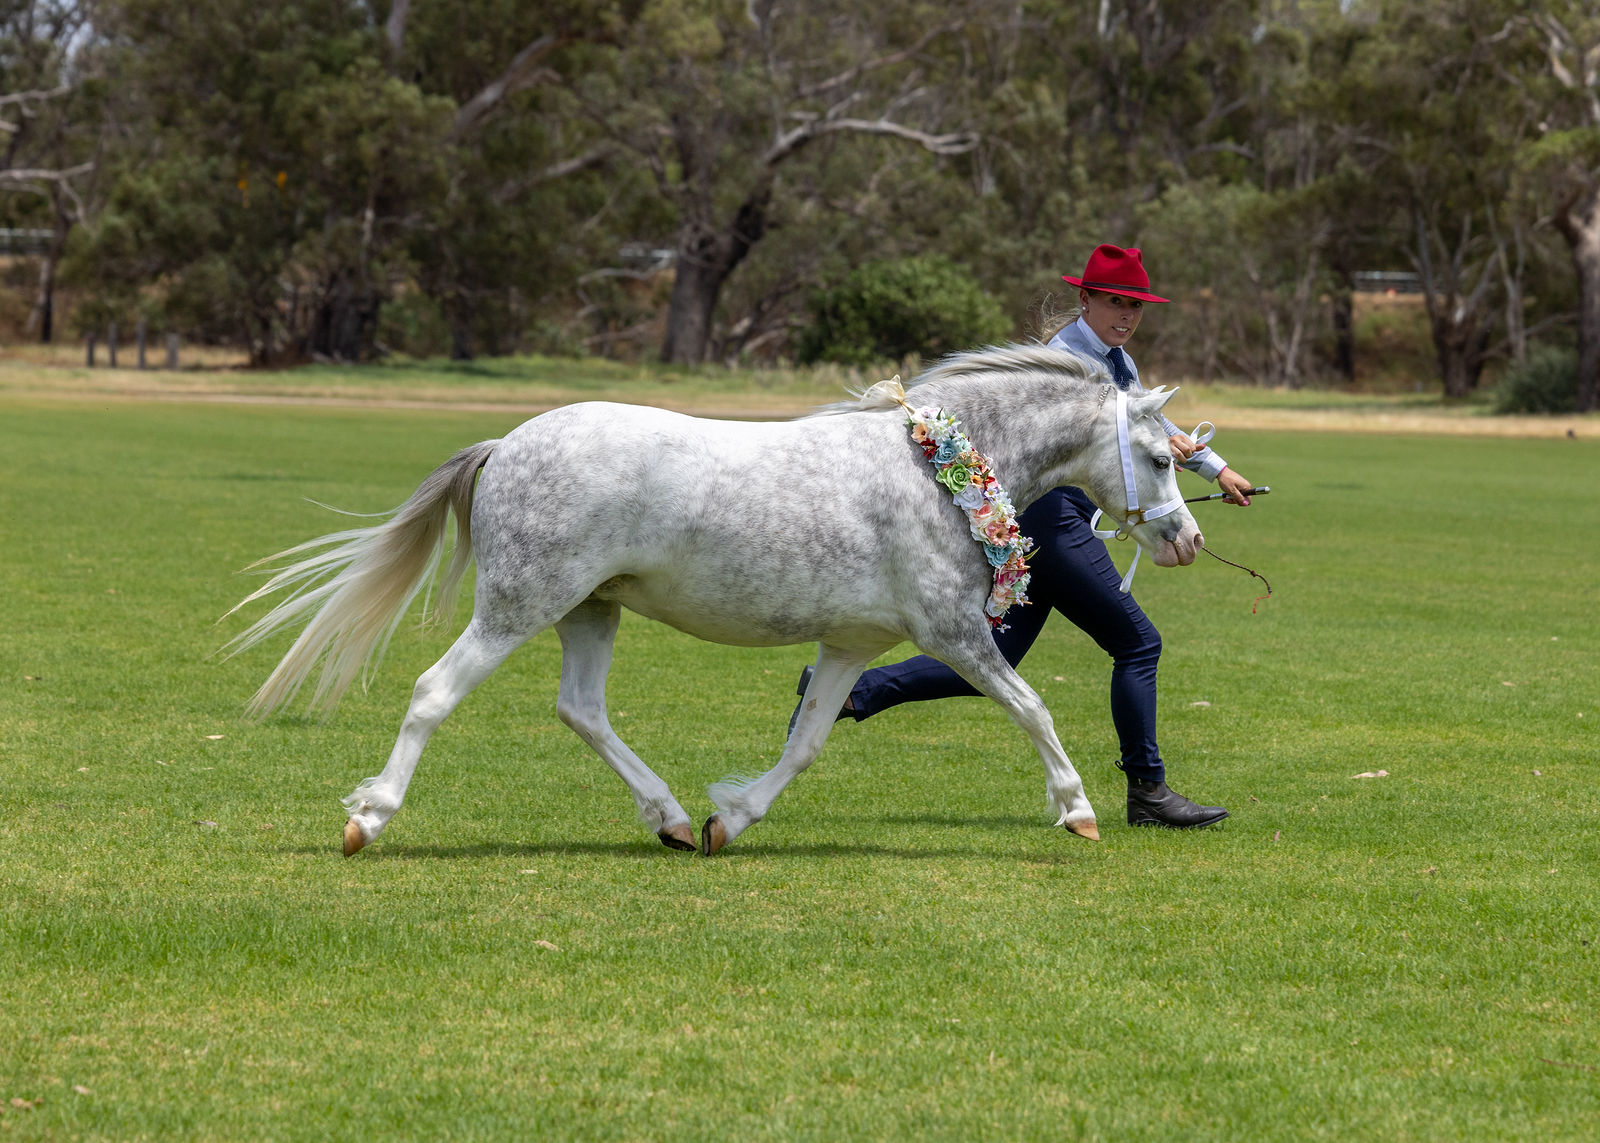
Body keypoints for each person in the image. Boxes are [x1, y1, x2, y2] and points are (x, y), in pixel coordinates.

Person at [788, 243, 1257, 829]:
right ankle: (1148, 793)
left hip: (1057, 519)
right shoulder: (1066, 361)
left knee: (999, 654)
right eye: (1116, 302)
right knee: (1138, 644)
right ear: (1085, 299)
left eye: (1136, 305)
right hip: (1052, 520)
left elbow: (1150, 425)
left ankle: (854, 692)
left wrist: (1216, 468)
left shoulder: (1120, 362)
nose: (1127, 315)